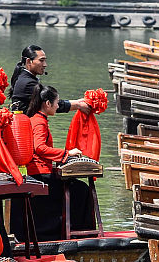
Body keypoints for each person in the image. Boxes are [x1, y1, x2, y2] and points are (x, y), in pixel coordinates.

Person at [12, 85, 96, 241]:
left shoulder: (36, 119)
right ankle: (79, 233)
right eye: (56, 103)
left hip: (39, 170)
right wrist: (67, 154)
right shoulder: (39, 122)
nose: (58, 106)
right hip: (40, 173)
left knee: (78, 188)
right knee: (82, 190)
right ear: (47, 104)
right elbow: (39, 148)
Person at [9, 45, 91, 114]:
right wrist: (78, 105)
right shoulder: (27, 83)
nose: (45, 65)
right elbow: (49, 104)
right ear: (28, 62)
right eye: (41, 60)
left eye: (45, 61)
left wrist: (77, 102)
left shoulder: (24, 77)